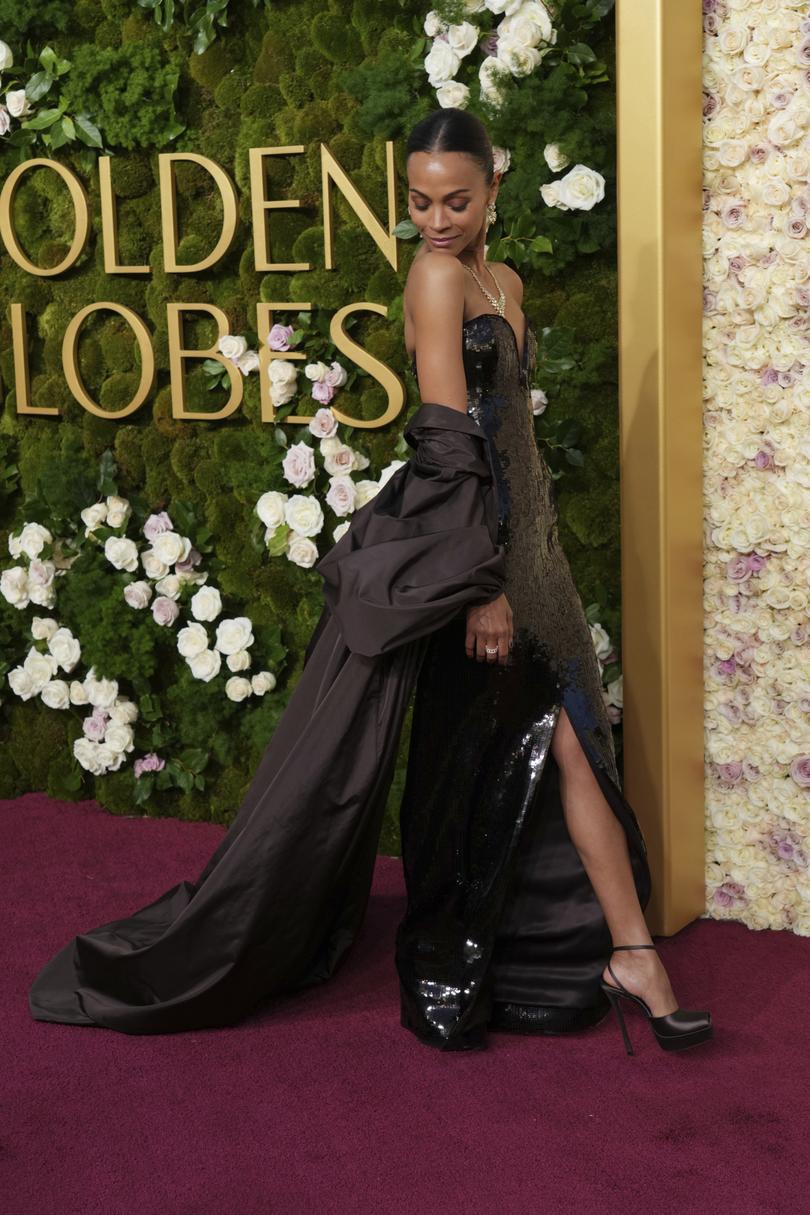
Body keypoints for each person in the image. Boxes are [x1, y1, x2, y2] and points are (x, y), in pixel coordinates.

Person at [28, 108, 712, 1056]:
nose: (436, 219)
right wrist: (477, 583)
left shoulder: (504, 281)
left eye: (456, 201)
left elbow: (514, 435)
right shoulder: (433, 279)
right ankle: (625, 956)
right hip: (472, 554)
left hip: (534, 551)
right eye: (420, 202)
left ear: (494, 192)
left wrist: (537, 561)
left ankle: (614, 950)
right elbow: (446, 439)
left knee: (571, 747)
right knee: (535, 745)